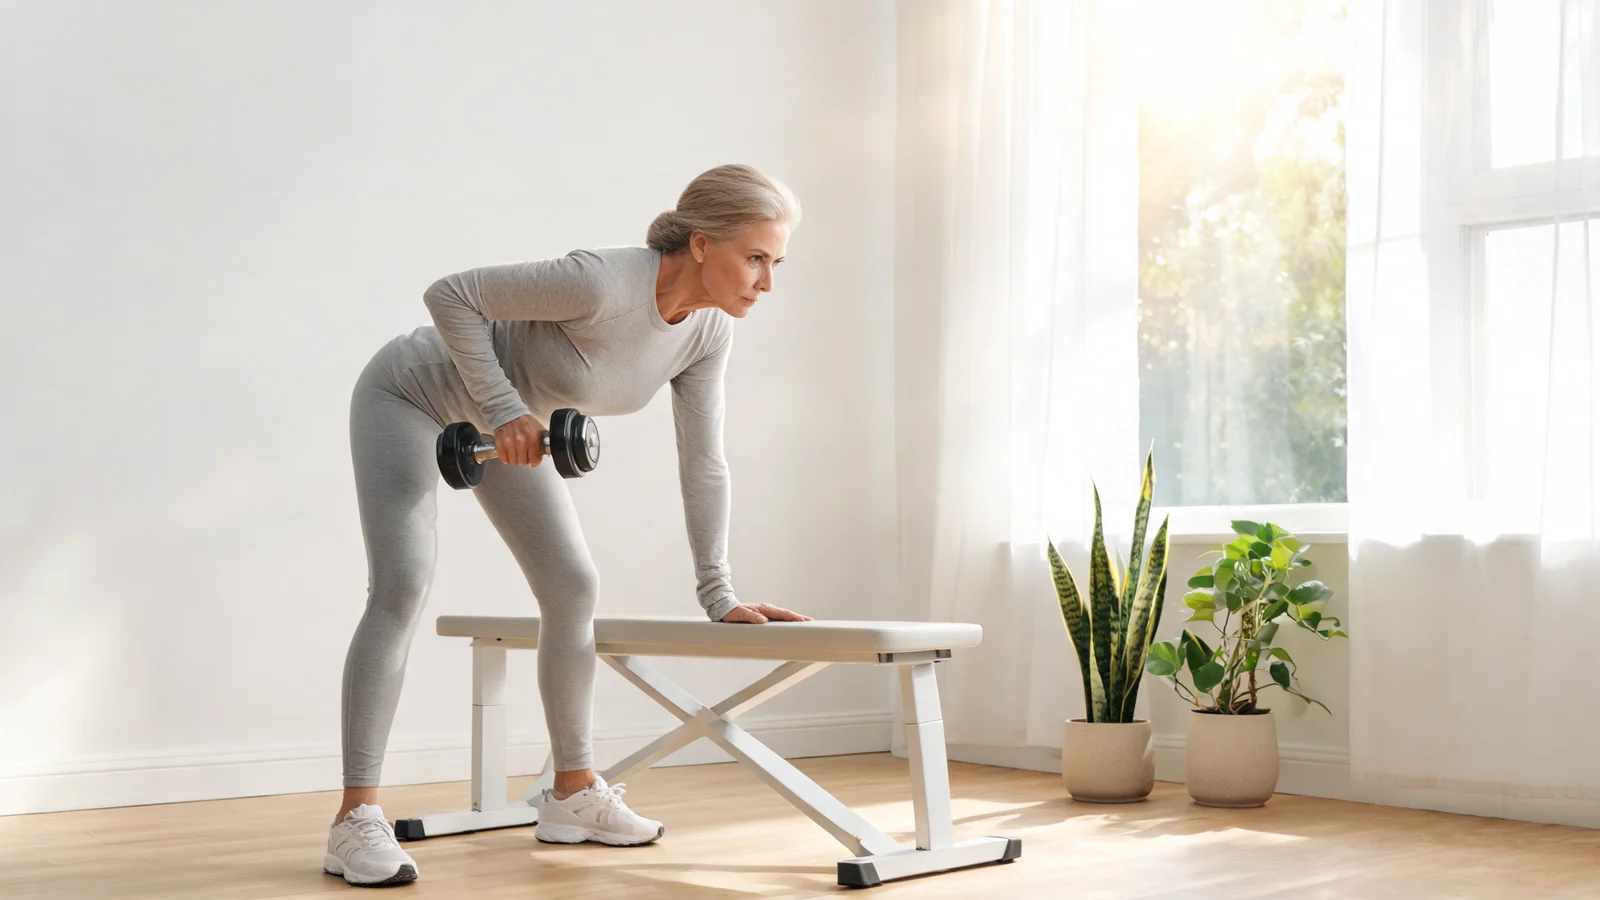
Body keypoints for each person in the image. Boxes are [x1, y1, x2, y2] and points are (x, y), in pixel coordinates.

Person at [324, 164, 812, 887]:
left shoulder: (707, 332)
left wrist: (719, 593)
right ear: (702, 244)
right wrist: (503, 410)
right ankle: (355, 819)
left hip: (501, 426)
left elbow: (704, 461)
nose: (767, 282)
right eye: (756, 258)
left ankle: (572, 793)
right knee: (403, 583)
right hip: (412, 393)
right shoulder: (602, 283)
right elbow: (450, 294)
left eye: (777, 263)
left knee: (572, 584)